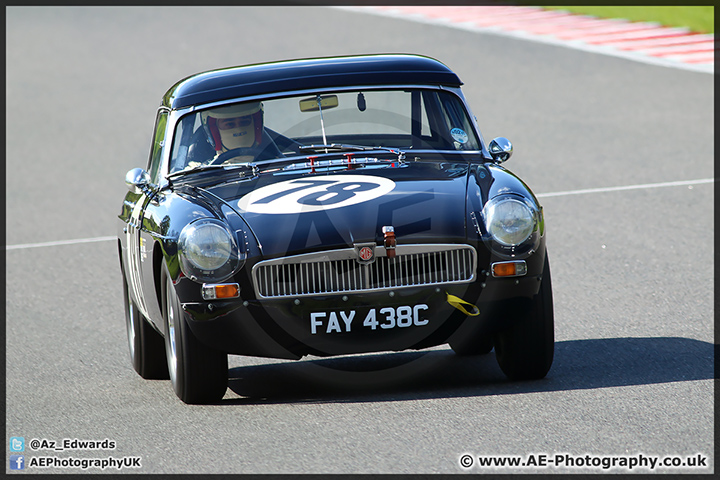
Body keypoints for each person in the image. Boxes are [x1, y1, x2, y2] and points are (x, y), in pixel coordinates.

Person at [200, 102, 267, 164]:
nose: (239, 129)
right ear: (215, 131)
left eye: (244, 122)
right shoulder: (202, 172)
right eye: (229, 124)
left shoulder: (274, 164)